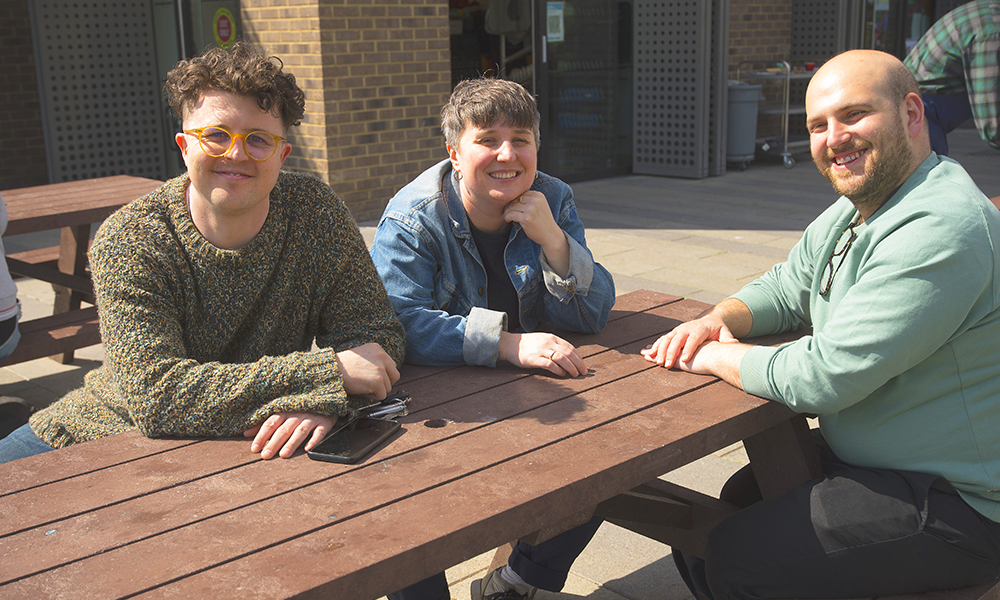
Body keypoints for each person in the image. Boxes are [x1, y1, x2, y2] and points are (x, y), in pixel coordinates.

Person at [643, 49, 1000, 599]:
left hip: (962, 500)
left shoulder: (941, 225)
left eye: (854, 115)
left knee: (740, 555)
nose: (835, 137)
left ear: (911, 113)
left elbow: (826, 375)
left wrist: (714, 356)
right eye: (818, 125)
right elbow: (790, 285)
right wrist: (716, 318)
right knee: (721, 512)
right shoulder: (865, 205)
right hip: (884, 463)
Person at [0, 41, 405, 464]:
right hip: (101, 434)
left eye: (259, 140)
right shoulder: (129, 239)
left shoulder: (316, 213)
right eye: (215, 135)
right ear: (184, 146)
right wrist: (327, 378)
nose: (236, 154)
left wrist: (326, 402)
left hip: (255, 443)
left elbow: (376, 338)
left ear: (282, 154)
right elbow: (157, 395)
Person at [371, 77, 615, 599]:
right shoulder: (413, 219)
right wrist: (507, 344)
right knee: (404, 502)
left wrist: (553, 240)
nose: (508, 154)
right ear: (454, 152)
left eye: (521, 139)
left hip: (531, 400)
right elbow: (396, 325)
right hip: (438, 414)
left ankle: (518, 582)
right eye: (487, 140)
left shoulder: (552, 197)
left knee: (614, 453)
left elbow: (593, 314)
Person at [904, 0, 1000, 157]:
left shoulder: (987, 12)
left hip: (919, 107)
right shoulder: (992, 32)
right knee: (931, 177)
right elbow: (993, 124)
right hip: (919, 111)